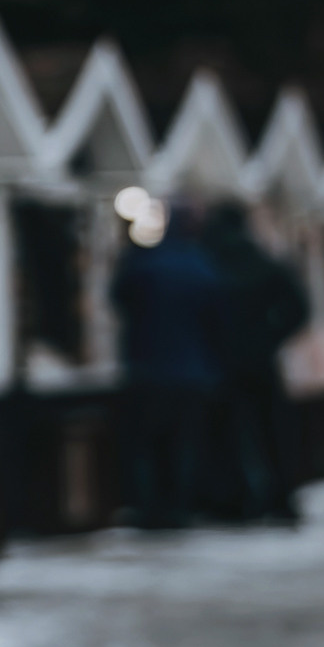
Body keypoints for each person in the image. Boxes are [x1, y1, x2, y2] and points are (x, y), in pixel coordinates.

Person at [108, 201, 226, 528]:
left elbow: (119, 297)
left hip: (148, 369)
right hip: (192, 372)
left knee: (148, 444)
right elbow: (217, 319)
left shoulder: (144, 263)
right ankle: (179, 507)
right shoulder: (202, 266)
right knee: (183, 444)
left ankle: (149, 508)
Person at [201, 202, 310, 521]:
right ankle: (280, 498)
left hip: (221, 364)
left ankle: (238, 501)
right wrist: (270, 337)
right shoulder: (262, 262)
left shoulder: (209, 262)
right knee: (271, 431)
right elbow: (298, 308)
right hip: (260, 361)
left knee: (230, 434)